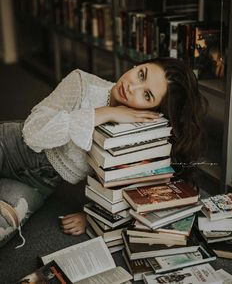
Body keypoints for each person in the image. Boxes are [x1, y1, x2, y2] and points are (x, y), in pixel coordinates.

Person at [0, 57, 206, 246]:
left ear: (152, 111)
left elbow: (127, 186)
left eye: (146, 95)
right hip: (9, 145)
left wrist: (91, 216)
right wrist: (104, 114)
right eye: (141, 74)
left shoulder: (137, 128)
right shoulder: (81, 83)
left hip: (37, 185)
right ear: (136, 66)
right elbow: (33, 133)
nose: (132, 87)